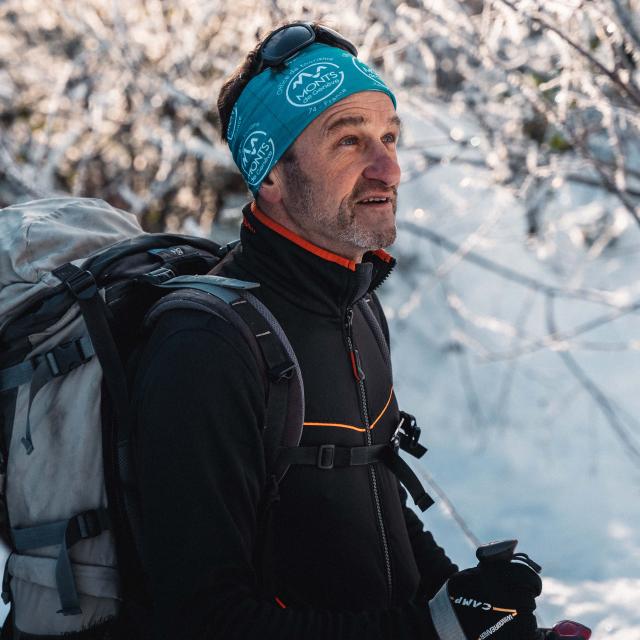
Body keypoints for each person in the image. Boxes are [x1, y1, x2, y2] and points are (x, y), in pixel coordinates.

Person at [131, 21, 543, 640]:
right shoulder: (207, 347)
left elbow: (372, 495)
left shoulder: (354, 302)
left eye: (389, 137)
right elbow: (204, 618)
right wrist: (429, 632)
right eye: (349, 142)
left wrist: (467, 604)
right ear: (269, 174)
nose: (388, 168)